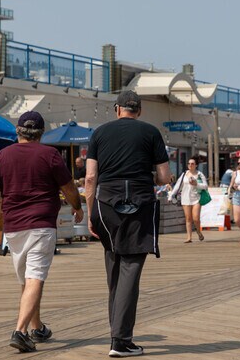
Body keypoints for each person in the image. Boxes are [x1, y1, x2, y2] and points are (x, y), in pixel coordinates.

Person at [0, 111, 83, 353]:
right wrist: (77, 208)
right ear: (41, 133)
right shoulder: (51, 155)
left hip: (13, 228)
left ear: (18, 131)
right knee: (35, 277)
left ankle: (37, 327)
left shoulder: (3, 156)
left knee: (27, 278)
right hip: (41, 223)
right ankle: (20, 331)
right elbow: (68, 186)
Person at [85, 90, 171, 357]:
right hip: (140, 202)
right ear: (139, 110)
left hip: (106, 204)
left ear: (117, 109)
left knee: (114, 267)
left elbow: (90, 178)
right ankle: (120, 340)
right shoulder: (151, 132)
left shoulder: (99, 133)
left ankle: (117, 334)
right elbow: (164, 177)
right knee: (131, 269)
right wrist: (155, 179)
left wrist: (91, 214)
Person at [170, 156, 207, 243]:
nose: (190, 165)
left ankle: (198, 232)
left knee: (196, 218)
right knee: (188, 218)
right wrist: (171, 195)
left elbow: (205, 186)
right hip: (185, 198)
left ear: (196, 165)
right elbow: (177, 186)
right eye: (189, 163)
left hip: (196, 198)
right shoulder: (184, 174)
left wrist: (196, 184)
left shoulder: (200, 174)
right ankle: (189, 237)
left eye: (192, 163)